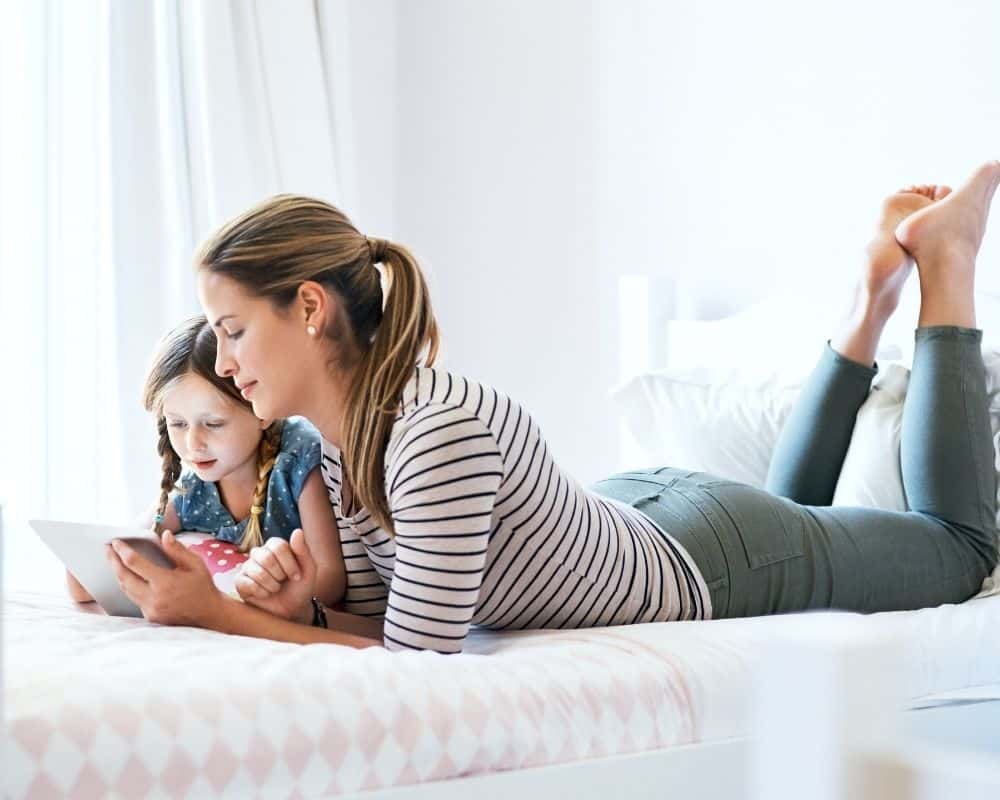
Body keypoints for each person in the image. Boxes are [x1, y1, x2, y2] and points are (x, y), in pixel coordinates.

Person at [106, 161, 1000, 654]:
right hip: (653, 512)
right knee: (803, 518)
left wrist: (223, 615)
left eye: (231, 330)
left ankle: (946, 264)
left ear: (308, 308)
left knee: (962, 552)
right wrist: (299, 611)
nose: (223, 363)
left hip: (707, 558)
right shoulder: (333, 442)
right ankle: (866, 306)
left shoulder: (431, 428)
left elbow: (416, 667)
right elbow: (395, 620)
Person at [72, 316, 346, 611]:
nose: (193, 444)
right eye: (177, 423)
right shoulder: (191, 490)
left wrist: (246, 605)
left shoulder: (298, 460)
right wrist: (91, 569)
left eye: (213, 424)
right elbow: (126, 547)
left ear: (261, 410)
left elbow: (330, 578)